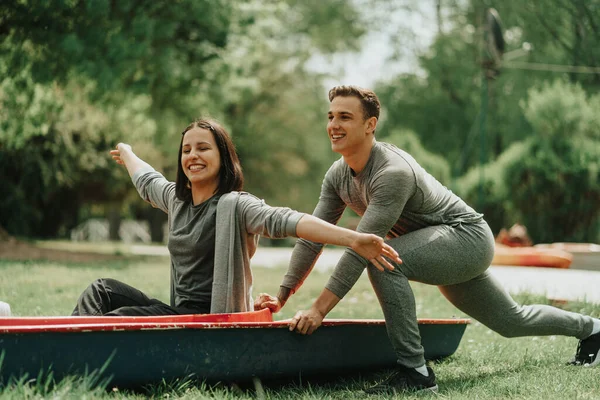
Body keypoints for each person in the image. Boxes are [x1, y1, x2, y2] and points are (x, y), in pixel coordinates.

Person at [254, 85, 600, 394]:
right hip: (440, 243)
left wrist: (318, 310)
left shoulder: (392, 172)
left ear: (370, 124)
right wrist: (284, 294)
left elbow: (362, 246)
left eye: (345, 116)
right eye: (330, 116)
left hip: (466, 237)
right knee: (511, 321)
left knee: (383, 261)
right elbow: (314, 235)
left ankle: (415, 371)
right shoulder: (338, 175)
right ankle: (592, 329)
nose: (334, 125)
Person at [72, 118, 400, 317]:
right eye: (186, 150)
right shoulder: (177, 200)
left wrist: (353, 239)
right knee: (102, 290)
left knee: (124, 316)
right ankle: (62, 341)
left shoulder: (236, 206)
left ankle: (69, 352)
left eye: (203, 148)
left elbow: (291, 221)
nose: (193, 156)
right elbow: (148, 181)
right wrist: (128, 152)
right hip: (177, 310)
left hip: (208, 317)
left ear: (222, 156)